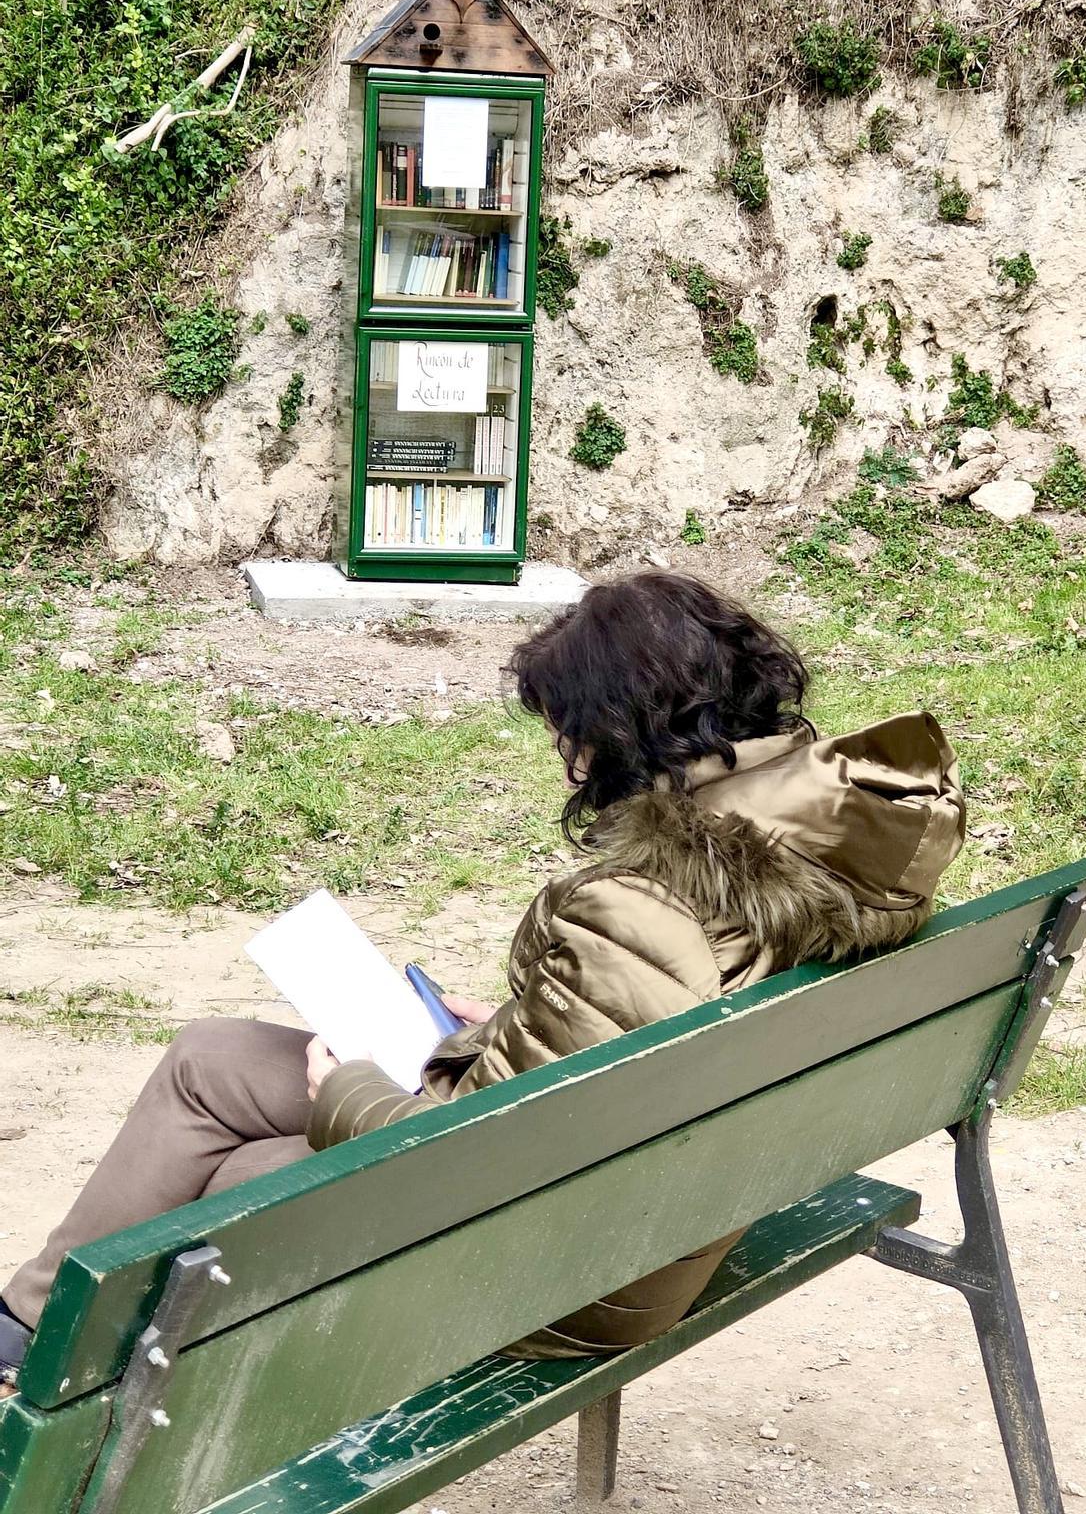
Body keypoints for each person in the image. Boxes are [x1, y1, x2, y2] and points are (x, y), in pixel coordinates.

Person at [0, 571, 966, 1386]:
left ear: (626, 726)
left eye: (570, 731)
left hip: (577, 1265)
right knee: (209, 1058)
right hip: (658, 1182)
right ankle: (29, 1328)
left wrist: (347, 1088)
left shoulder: (645, 902)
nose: (569, 758)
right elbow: (657, 1015)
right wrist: (522, 1020)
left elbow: (485, 1161)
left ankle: (73, 1393)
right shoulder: (828, 839)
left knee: (247, 1179)